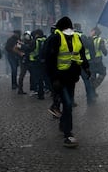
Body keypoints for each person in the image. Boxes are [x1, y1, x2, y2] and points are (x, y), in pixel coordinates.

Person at [44, 16, 90, 148]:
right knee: (68, 104)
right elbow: (49, 61)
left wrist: (86, 67)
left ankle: (63, 125)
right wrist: (54, 79)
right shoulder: (55, 39)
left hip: (72, 77)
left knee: (67, 104)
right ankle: (68, 134)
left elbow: (81, 54)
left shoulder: (77, 38)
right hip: (60, 78)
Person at [74, 23, 96, 105]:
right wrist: (90, 39)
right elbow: (89, 46)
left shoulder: (68, 37)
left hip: (72, 63)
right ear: (79, 28)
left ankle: (71, 101)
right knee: (87, 81)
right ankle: (90, 99)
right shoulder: (82, 36)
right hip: (83, 62)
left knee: (71, 83)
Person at [89, 26, 108, 96]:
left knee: (92, 76)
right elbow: (104, 51)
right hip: (98, 60)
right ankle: (93, 87)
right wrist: (106, 52)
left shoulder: (89, 39)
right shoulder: (100, 40)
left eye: (91, 31)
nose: (90, 32)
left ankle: (92, 92)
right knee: (103, 73)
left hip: (90, 61)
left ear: (94, 32)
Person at [29, 29, 46, 100]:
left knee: (37, 78)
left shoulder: (35, 41)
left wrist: (22, 46)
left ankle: (39, 93)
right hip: (44, 61)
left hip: (35, 61)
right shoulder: (45, 40)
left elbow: (30, 49)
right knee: (44, 78)